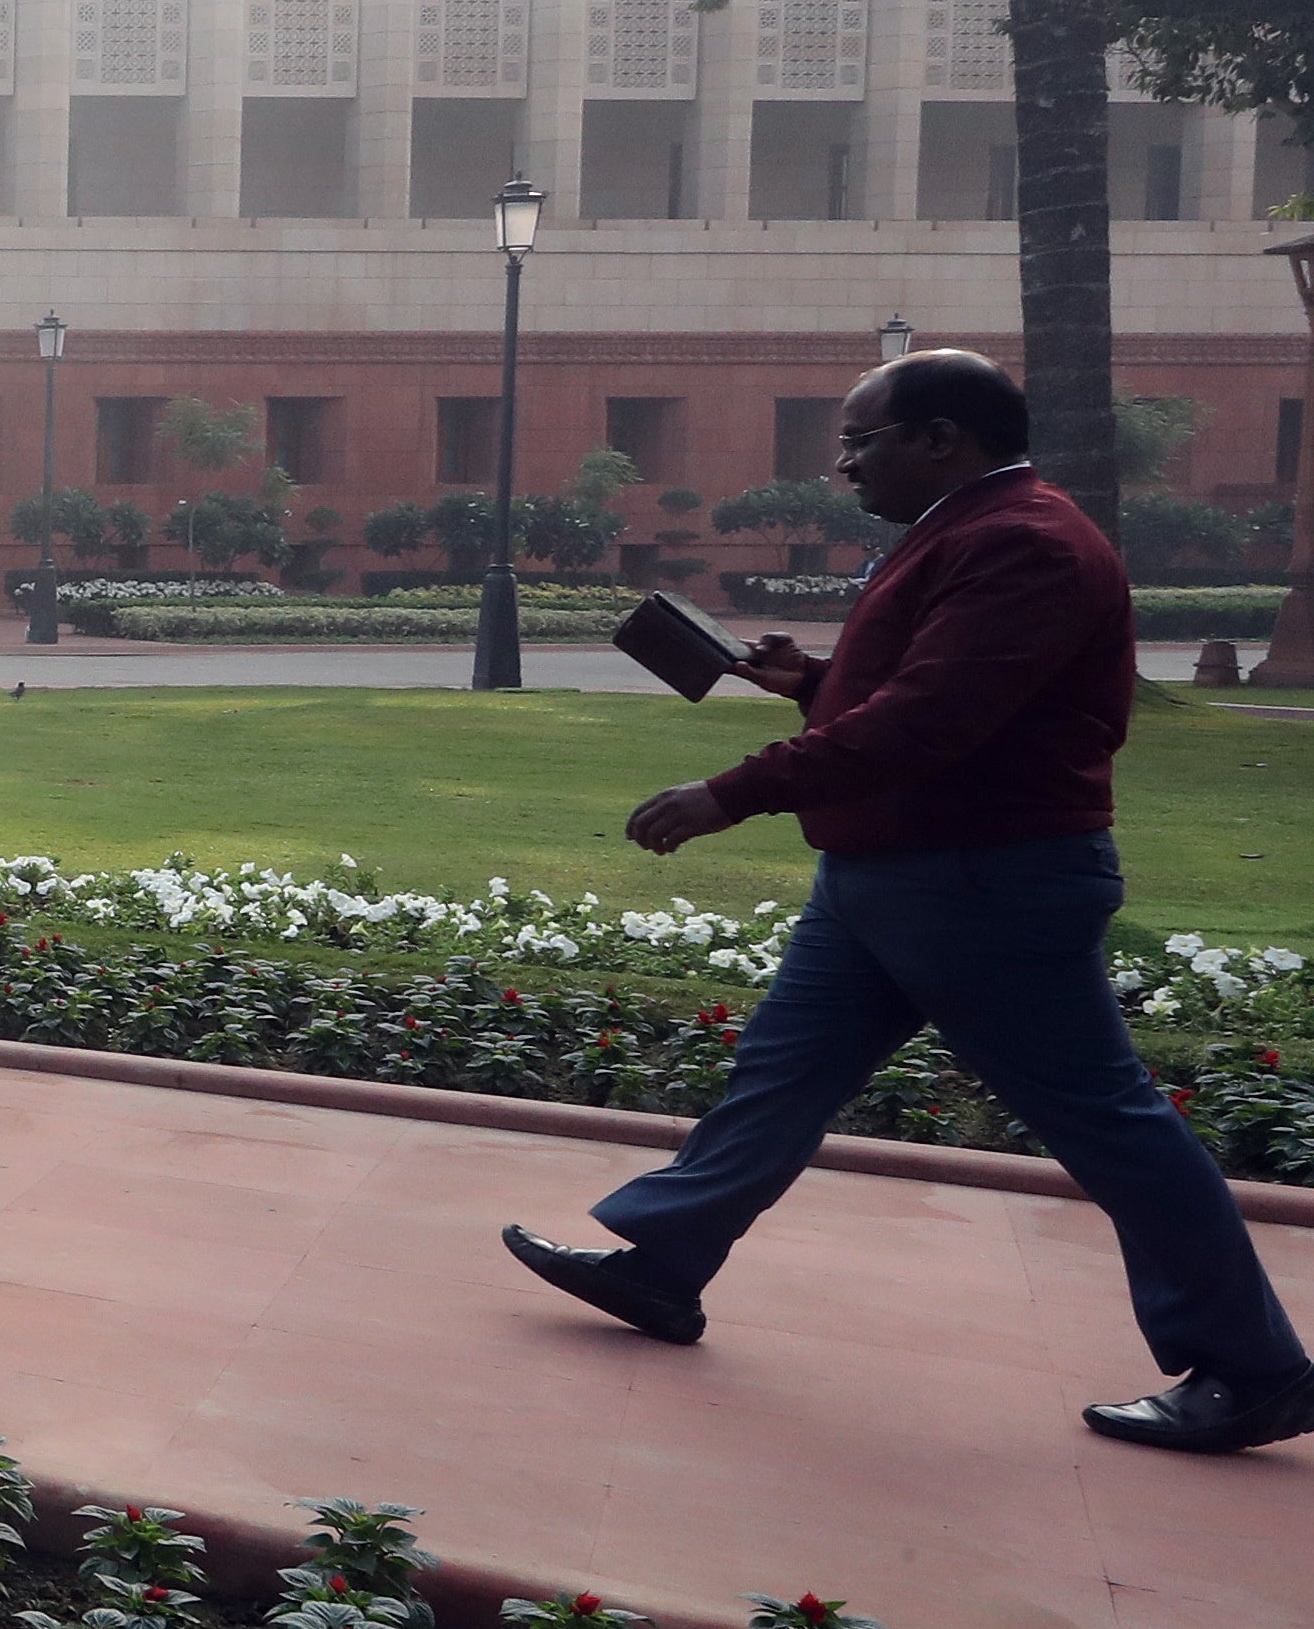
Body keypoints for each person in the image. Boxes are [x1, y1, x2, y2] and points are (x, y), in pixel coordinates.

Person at [505, 349, 1313, 1453]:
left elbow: (928, 720)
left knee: (1110, 1128)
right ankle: (662, 1265)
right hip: (891, 875)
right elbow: (920, 686)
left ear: (940, 437)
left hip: (983, 882)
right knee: (778, 1080)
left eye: (858, 439)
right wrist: (811, 680)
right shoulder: (971, 525)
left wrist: (730, 792)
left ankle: (1252, 1366)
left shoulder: (1021, 540)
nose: (841, 463)